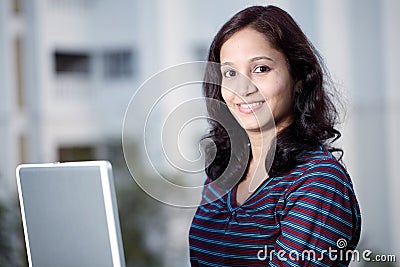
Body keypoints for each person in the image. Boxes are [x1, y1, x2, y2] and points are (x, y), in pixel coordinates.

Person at [189, 5, 361, 266]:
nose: (243, 88)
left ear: (299, 76)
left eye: (260, 69)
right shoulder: (222, 174)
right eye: (230, 73)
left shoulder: (318, 182)